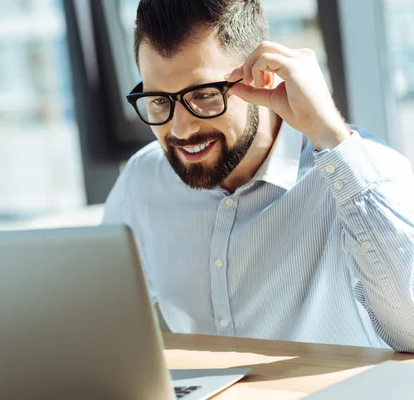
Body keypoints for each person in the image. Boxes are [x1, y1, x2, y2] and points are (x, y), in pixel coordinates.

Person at [102, 0, 414, 352]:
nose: (181, 128)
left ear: (261, 77)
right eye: (159, 101)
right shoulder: (143, 181)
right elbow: (99, 315)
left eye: (203, 96)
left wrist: (328, 132)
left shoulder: (361, 172)